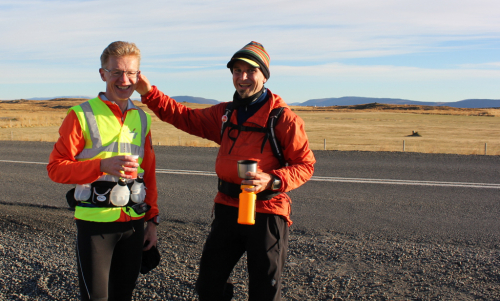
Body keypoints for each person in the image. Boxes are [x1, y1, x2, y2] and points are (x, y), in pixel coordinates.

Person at [136, 41, 315, 301]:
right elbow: (183, 117)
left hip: (266, 212)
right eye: (236, 71)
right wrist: (149, 92)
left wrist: (273, 180)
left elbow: (305, 165)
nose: (242, 78)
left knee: (264, 289)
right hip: (227, 208)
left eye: (250, 71)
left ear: (264, 75)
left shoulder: (283, 118)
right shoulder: (225, 113)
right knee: (209, 284)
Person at [47, 41, 160, 301]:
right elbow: (55, 169)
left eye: (131, 73)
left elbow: (149, 173)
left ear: (138, 75)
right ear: (102, 74)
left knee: (123, 296)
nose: (124, 79)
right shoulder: (80, 115)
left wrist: (152, 221)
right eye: (116, 72)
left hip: (133, 223)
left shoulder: (142, 118)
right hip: (95, 224)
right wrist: (100, 166)